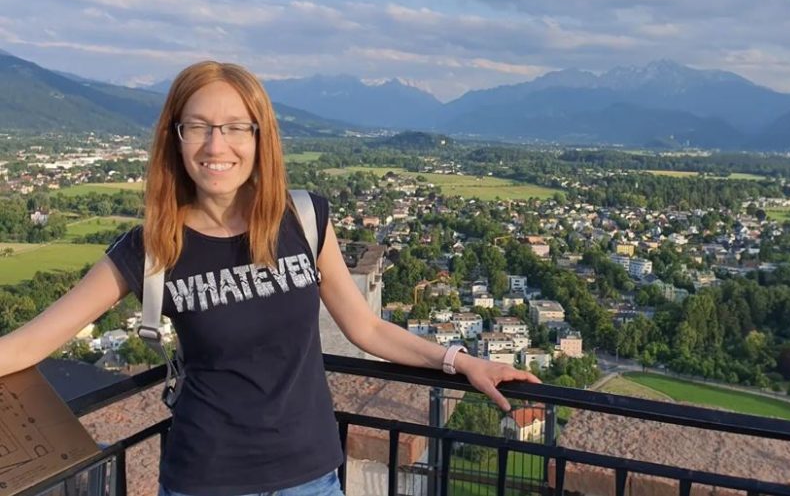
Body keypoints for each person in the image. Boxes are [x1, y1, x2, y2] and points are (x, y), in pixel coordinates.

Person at [0, 61, 540, 496]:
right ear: (176, 138)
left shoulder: (303, 220)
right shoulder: (153, 247)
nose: (217, 146)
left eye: (236, 127)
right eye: (198, 127)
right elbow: (28, 345)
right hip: (205, 479)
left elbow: (367, 329)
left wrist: (462, 362)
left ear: (261, 138)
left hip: (312, 476)